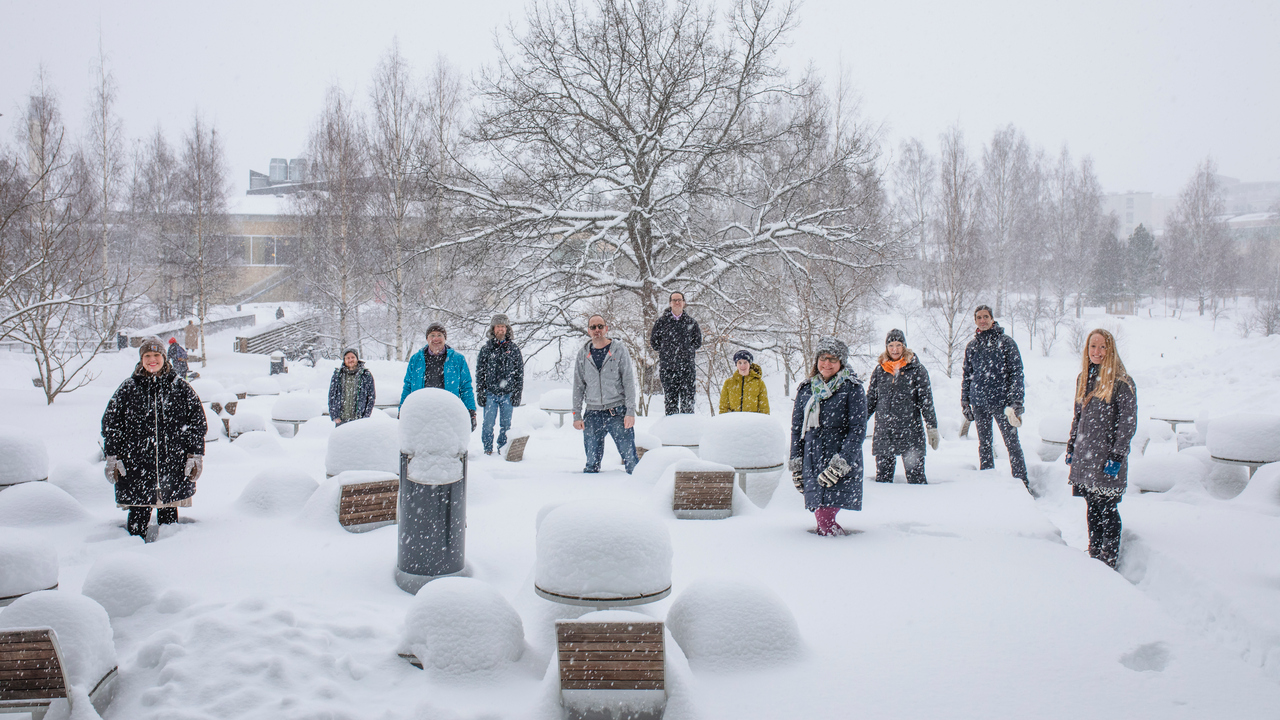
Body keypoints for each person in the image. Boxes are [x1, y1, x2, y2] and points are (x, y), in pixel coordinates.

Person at [101, 336, 207, 539]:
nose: (152, 360)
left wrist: (195, 454)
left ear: (164, 358)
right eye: (147, 355)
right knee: (138, 515)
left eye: (156, 355)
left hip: (171, 465)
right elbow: (111, 424)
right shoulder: (128, 388)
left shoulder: (180, 388)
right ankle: (133, 558)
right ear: (141, 359)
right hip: (137, 467)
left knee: (169, 520)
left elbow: (197, 424)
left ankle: (171, 558)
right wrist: (112, 456)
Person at [1066, 329, 1137, 569]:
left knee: (1107, 506)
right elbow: (1079, 417)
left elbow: (1127, 423)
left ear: (1111, 350)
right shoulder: (1082, 378)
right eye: (1093, 347)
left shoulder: (1122, 382)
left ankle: (1109, 558)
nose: (1097, 352)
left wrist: (1117, 455)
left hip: (1106, 455)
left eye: (1103, 347)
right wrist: (1072, 445)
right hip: (1086, 454)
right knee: (1092, 505)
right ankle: (1094, 552)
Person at [789, 337, 867, 536]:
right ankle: (825, 554)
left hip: (839, 459)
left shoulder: (852, 388)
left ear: (841, 362)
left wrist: (841, 464)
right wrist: (796, 463)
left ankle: (833, 556)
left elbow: (857, 429)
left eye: (833, 359)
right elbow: (797, 430)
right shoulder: (806, 389)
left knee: (825, 516)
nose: (827, 363)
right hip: (812, 459)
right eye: (823, 358)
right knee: (821, 514)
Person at [961, 305, 1029, 490]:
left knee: (1012, 444)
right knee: (984, 445)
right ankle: (988, 483)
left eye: (986, 317)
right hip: (979, 403)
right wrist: (965, 401)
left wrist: (1016, 402)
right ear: (975, 321)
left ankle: (1022, 483)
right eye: (979, 317)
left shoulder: (1006, 343)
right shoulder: (972, 346)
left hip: (1003, 404)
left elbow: (1017, 373)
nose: (982, 320)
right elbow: (967, 375)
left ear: (992, 319)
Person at [866, 329, 938, 484]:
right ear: (886, 347)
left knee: (916, 480)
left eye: (898, 345)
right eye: (891, 345)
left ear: (904, 346)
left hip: (910, 432)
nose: (894, 349)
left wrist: (932, 426)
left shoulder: (917, 370)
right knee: (883, 481)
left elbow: (926, 401)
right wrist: (857, 422)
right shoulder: (880, 370)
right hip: (885, 432)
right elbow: (870, 400)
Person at [572, 314, 640, 474]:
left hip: (617, 411)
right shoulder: (583, 355)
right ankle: (593, 495)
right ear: (588, 331)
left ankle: (637, 493)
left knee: (631, 463)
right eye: (593, 327)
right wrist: (576, 415)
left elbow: (629, 382)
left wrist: (630, 412)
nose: (597, 330)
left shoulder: (618, 350)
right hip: (592, 414)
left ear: (606, 329)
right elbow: (578, 387)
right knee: (591, 465)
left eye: (600, 326)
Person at [401, 322, 477, 430]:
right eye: (432, 335)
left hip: (448, 411)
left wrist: (471, 412)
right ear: (427, 339)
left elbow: (465, 388)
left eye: (439, 335)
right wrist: (403, 409)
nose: (436, 339)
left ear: (445, 338)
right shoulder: (416, 359)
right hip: (421, 411)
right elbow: (408, 386)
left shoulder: (458, 359)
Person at [476, 314, 524, 455]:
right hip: (490, 393)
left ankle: (503, 448)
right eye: (498, 326)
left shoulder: (514, 349)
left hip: (508, 394)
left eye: (503, 326)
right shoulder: (486, 349)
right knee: (488, 424)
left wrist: (517, 392)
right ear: (493, 329)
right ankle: (487, 449)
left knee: (506, 425)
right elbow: (480, 372)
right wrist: (480, 391)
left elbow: (519, 373)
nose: (501, 329)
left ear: (507, 329)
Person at [649, 291, 702, 415]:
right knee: (670, 405)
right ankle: (671, 432)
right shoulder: (661, 323)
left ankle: (688, 431)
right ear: (670, 303)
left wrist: (685, 352)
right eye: (674, 300)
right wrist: (668, 351)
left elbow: (697, 343)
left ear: (684, 303)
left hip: (687, 369)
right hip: (668, 370)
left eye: (679, 300)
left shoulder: (691, 323)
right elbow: (654, 343)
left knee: (688, 405)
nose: (677, 302)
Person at [328, 348, 376, 425]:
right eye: (348, 358)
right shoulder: (338, 375)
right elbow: (332, 395)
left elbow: (371, 397)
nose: (350, 360)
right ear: (344, 360)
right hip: (341, 419)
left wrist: (366, 416)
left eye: (352, 357)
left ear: (357, 358)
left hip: (359, 419)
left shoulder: (365, 375)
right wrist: (334, 415)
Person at [718, 349, 769, 414]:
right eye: (740, 363)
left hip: (753, 422)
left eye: (745, 362)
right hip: (733, 422)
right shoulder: (729, 383)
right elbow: (723, 407)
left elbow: (764, 408)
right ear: (736, 364)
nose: (743, 366)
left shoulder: (759, 383)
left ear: (750, 364)